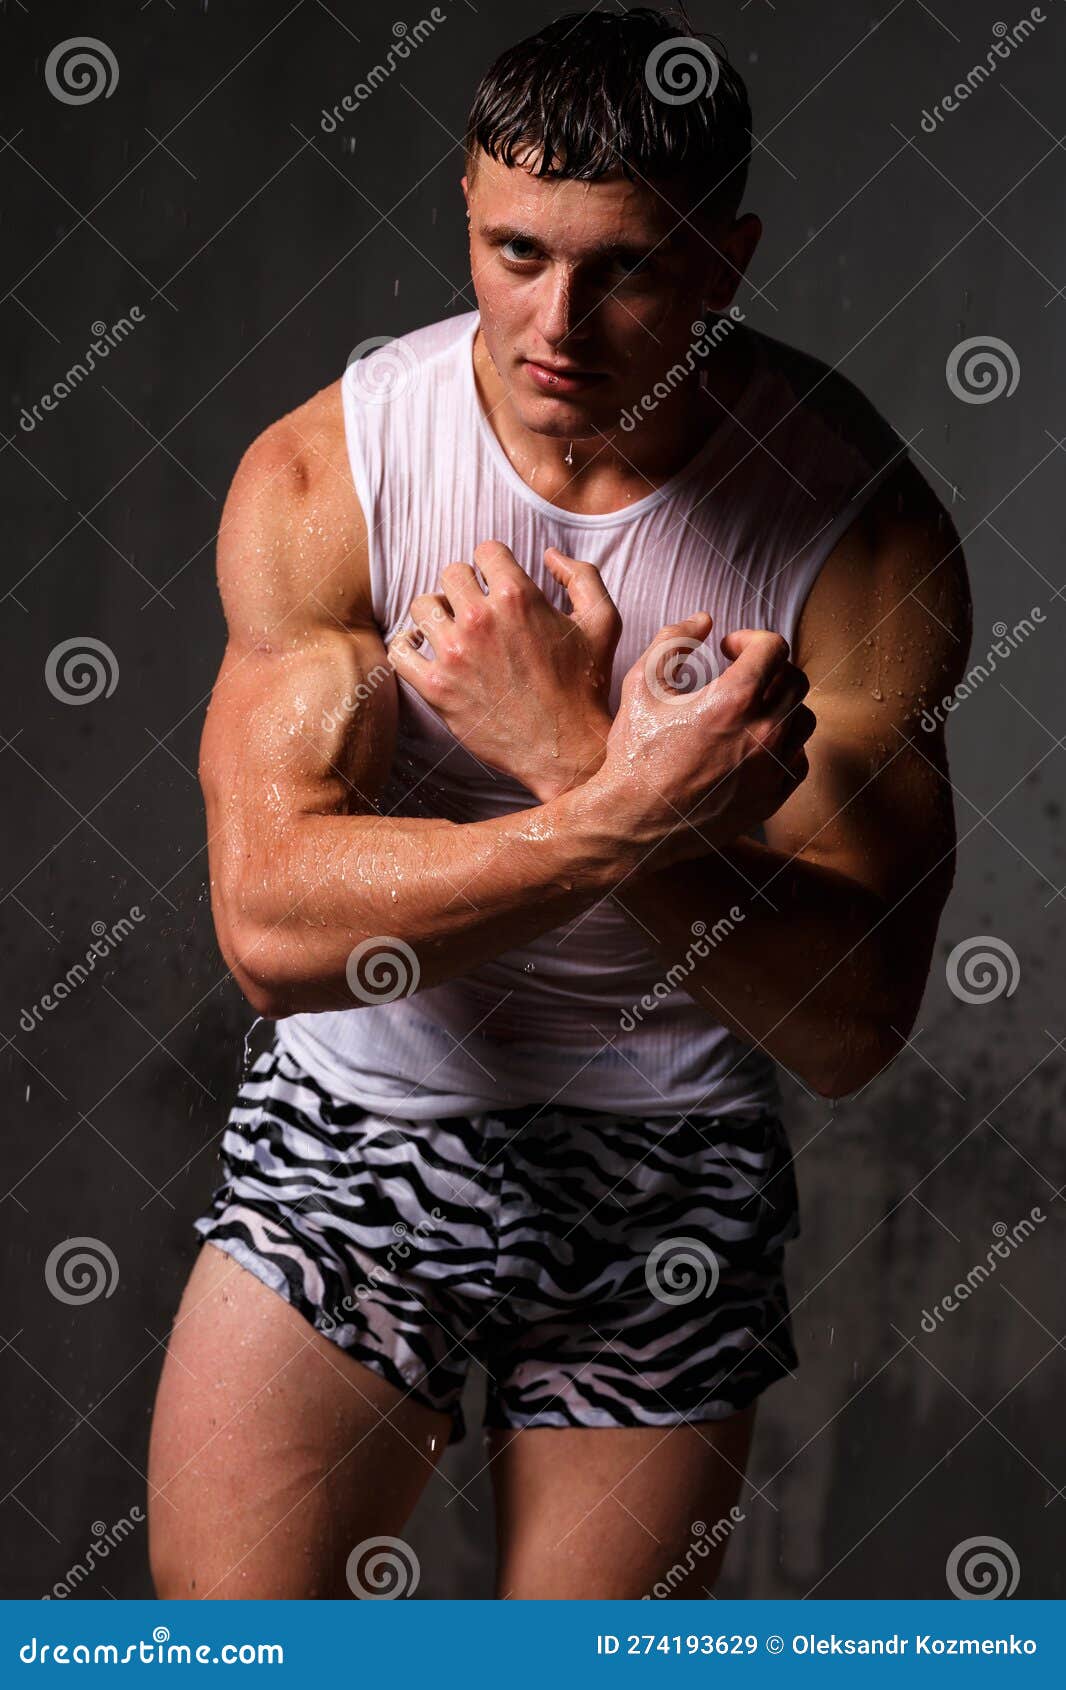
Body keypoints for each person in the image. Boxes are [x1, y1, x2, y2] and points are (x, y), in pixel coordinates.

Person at [147, 7, 971, 1599]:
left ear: (724, 259)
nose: (556, 321)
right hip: (358, 1126)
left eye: (628, 268)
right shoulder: (338, 476)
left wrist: (557, 744)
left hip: (662, 1159)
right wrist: (619, 798)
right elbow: (268, 926)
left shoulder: (849, 526)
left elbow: (850, 1021)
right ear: (465, 208)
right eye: (514, 250)